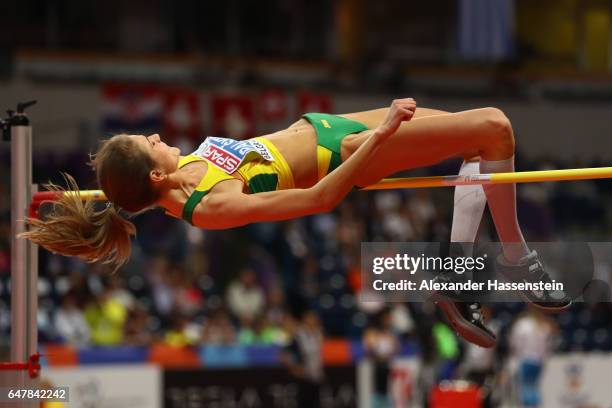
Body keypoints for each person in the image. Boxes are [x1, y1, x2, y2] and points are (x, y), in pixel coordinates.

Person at [21, 99, 571, 346]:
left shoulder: (179, 172)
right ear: (158, 180)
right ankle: (510, 259)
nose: (162, 139)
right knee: (495, 127)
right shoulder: (212, 207)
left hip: (325, 126)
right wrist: (378, 139)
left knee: (475, 139)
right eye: (153, 144)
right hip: (347, 151)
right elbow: (321, 199)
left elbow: (139, 180)